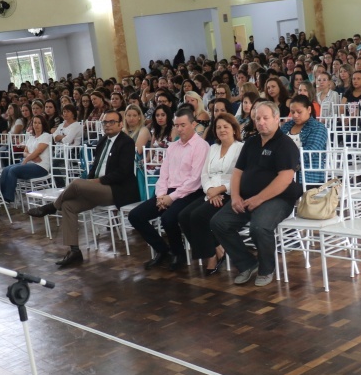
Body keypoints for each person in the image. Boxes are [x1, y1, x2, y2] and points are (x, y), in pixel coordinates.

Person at [26, 111, 140, 266]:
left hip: (116, 190)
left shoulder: (126, 142)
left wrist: (95, 182)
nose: (107, 125)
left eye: (111, 122)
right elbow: (94, 167)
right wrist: (91, 182)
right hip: (97, 188)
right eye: (105, 122)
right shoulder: (102, 141)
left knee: (77, 183)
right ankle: (74, 251)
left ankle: (51, 207)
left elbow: (123, 172)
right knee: (68, 205)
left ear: (120, 124)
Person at [209, 101, 302, 287]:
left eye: (265, 118)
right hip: (246, 197)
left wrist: (259, 199)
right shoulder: (251, 142)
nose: (261, 122)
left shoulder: (286, 145)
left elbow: (284, 179)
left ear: (277, 118)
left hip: (278, 198)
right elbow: (237, 172)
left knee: (259, 227)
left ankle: (266, 269)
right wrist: (235, 196)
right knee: (219, 223)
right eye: (258, 118)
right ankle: (247, 264)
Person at [128, 108, 210, 271]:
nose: (179, 129)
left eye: (183, 125)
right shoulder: (173, 146)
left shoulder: (201, 146)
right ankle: (163, 250)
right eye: (177, 125)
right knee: (135, 216)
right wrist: (161, 195)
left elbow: (194, 180)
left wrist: (171, 198)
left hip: (190, 193)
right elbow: (163, 174)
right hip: (168, 192)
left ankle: (179, 254)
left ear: (193, 124)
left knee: (168, 218)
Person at [178, 114, 244, 276]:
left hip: (229, 193)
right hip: (210, 192)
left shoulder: (241, 148)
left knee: (198, 216)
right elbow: (204, 174)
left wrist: (220, 189)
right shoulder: (213, 148)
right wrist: (210, 190)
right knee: (183, 216)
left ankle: (211, 257)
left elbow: (242, 177)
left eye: (226, 127)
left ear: (234, 129)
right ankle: (217, 247)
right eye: (218, 127)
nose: (222, 130)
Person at [0, 114, 52, 202]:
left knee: (13, 170)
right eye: (35, 122)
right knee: (6, 169)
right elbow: (24, 152)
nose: (36, 125)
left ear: (43, 125)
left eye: (39, 123)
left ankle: (8, 198)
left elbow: (38, 151)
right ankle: (0, 194)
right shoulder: (31, 137)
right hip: (30, 163)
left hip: (41, 166)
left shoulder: (46, 136)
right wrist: (31, 157)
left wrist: (27, 159)